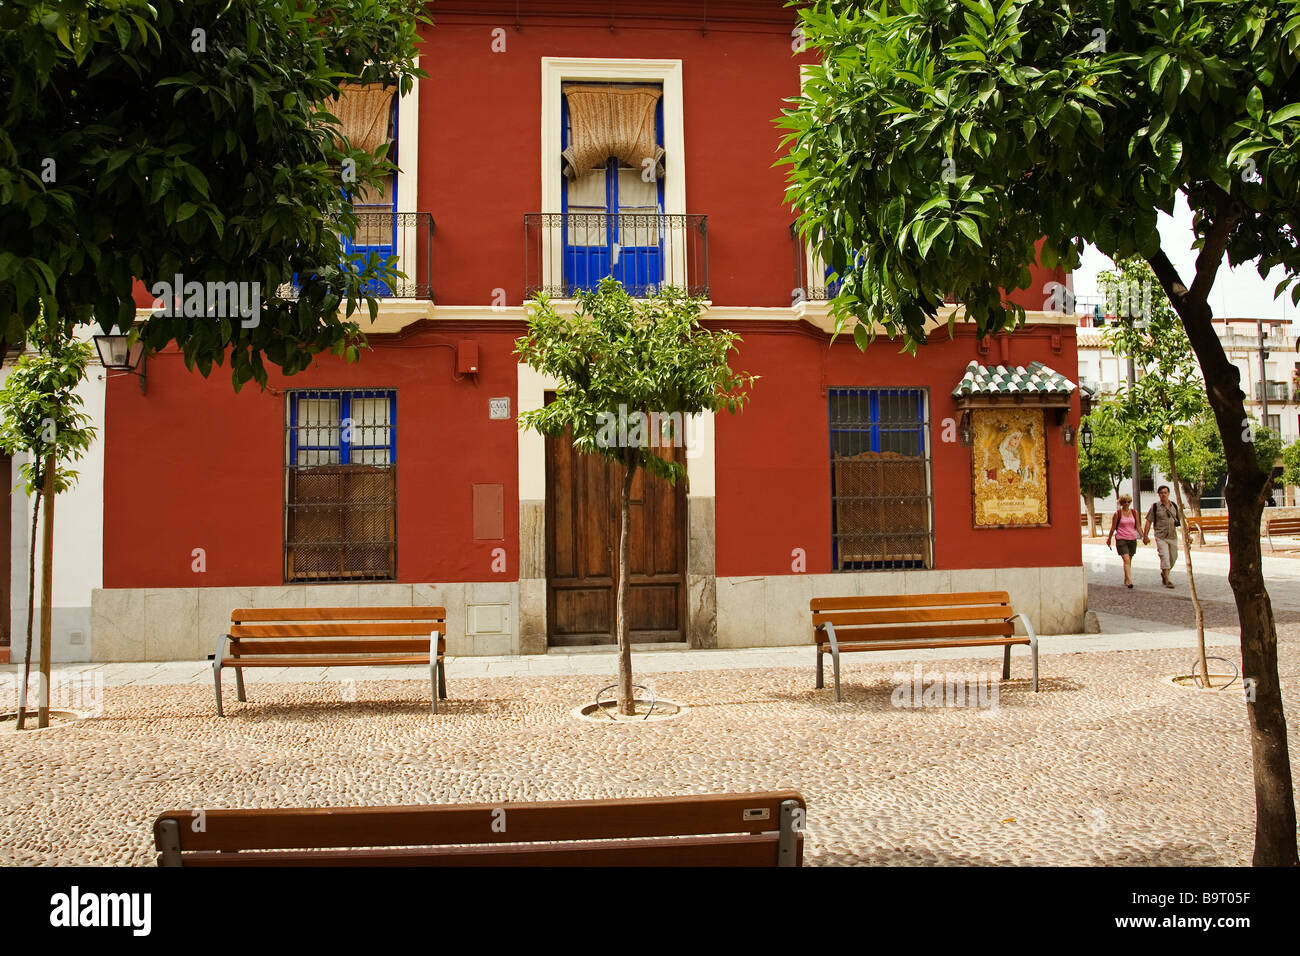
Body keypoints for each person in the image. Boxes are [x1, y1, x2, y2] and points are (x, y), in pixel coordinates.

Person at [1143, 485, 1182, 589]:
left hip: (1172, 536)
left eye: (1165, 492)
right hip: (1161, 536)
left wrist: (1187, 535)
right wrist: (1145, 535)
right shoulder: (1155, 506)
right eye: (1161, 493)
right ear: (1159, 495)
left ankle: (1164, 573)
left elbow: (1181, 520)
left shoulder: (1174, 505)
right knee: (1164, 556)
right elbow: (1148, 521)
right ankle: (1168, 580)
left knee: (1173, 557)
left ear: (1168, 493)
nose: (1163, 494)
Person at [1106, 493, 1140, 588]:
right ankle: (1129, 580)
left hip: (1132, 539)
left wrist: (1144, 536)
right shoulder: (1117, 514)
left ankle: (1126, 578)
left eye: (1128, 501)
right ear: (1121, 503)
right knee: (1126, 560)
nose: (1127, 503)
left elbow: (1137, 526)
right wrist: (1109, 539)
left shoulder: (1134, 512)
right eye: (1124, 502)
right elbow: (1113, 528)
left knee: (1129, 560)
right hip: (1121, 539)